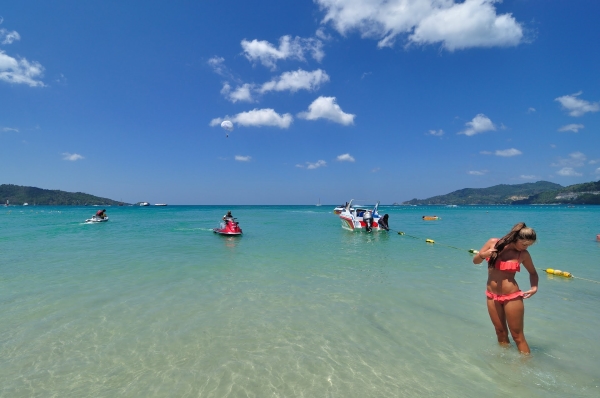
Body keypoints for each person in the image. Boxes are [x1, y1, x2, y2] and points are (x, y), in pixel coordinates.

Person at [473, 222, 539, 354]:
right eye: (524, 244)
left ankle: (526, 365)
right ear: (516, 238)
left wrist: (534, 287)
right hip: (492, 296)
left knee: (517, 336)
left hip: (512, 297)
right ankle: (504, 364)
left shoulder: (523, 254)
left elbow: (533, 273)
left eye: (529, 245)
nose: (526, 247)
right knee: (500, 332)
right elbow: (476, 261)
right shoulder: (493, 243)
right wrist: (483, 255)